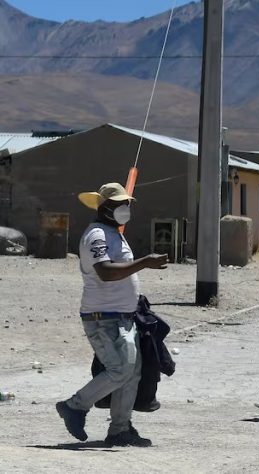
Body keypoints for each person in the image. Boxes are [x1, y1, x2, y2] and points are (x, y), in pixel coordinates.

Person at [56, 182, 168, 447]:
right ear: (104, 207)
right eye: (119, 204)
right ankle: (74, 406)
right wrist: (145, 262)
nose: (125, 208)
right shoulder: (97, 235)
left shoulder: (114, 233)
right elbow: (105, 272)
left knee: (131, 372)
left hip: (123, 317)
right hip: (103, 318)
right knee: (119, 370)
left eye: (127, 204)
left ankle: (120, 429)